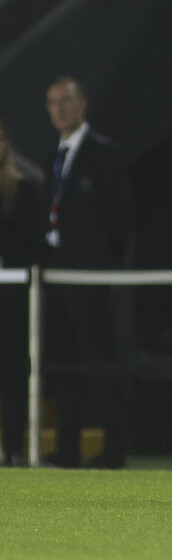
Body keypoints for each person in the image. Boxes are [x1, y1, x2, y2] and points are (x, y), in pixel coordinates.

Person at [42, 76, 133, 468]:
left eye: (66, 100)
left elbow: (120, 220)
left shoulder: (104, 155)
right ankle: (66, 447)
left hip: (91, 279)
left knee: (99, 365)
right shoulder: (54, 157)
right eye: (52, 102)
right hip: (57, 279)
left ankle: (112, 449)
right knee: (62, 365)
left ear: (83, 105)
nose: (60, 108)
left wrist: (102, 269)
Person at [0, 119, 42, 467]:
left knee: (13, 371)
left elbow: (32, 242)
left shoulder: (23, 190)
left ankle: (12, 449)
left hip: (12, 296)